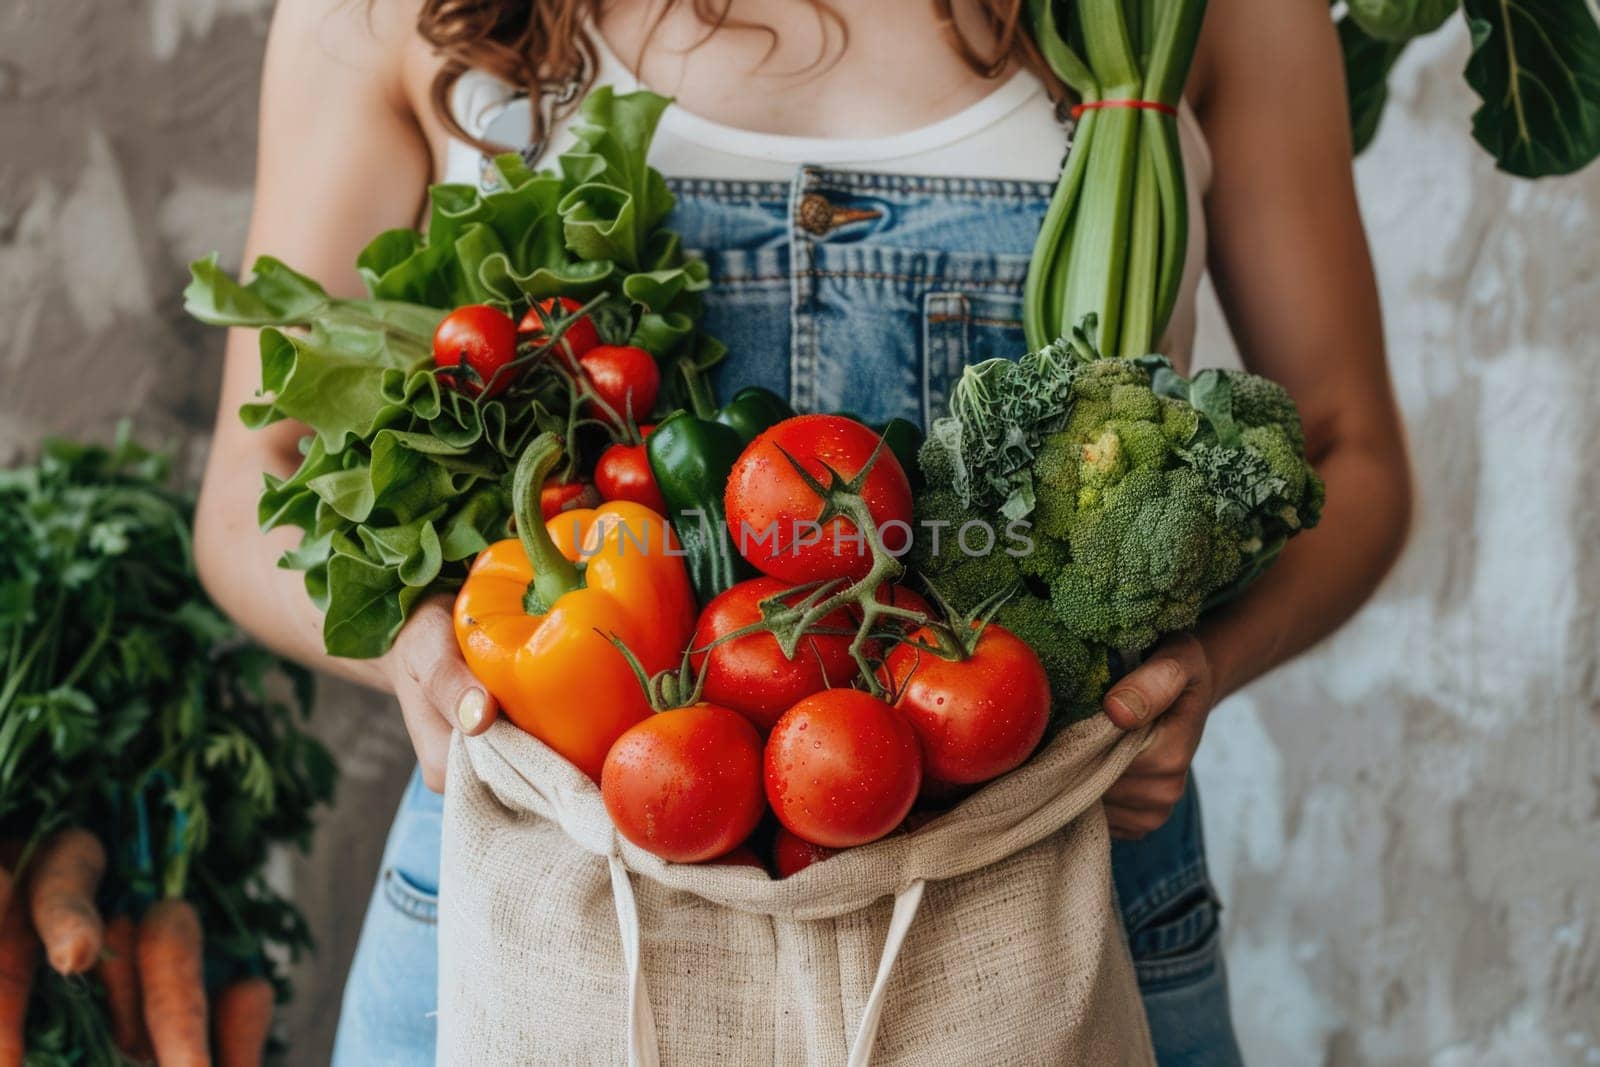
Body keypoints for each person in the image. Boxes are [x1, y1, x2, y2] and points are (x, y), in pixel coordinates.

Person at [193, 0, 1412, 1062]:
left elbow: (1352, 453)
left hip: (1055, 879)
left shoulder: (1191, 13)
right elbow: (253, 483)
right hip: (551, 902)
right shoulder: (396, 12)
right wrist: (414, 652)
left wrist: (1207, 665)